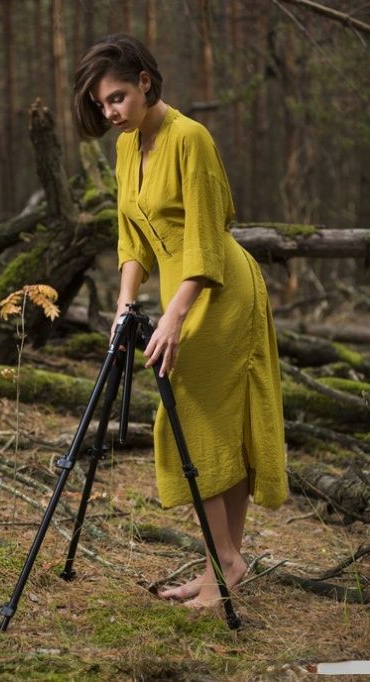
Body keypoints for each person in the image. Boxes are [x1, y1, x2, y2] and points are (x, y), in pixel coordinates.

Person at [73, 34, 288, 609]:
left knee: (189, 426)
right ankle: (224, 564)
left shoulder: (190, 138)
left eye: (117, 98)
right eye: (102, 105)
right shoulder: (125, 149)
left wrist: (174, 314)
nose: (111, 112)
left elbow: (204, 238)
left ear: (145, 81)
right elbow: (131, 238)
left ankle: (228, 564)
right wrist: (125, 302)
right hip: (178, 295)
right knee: (209, 428)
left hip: (218, 290)